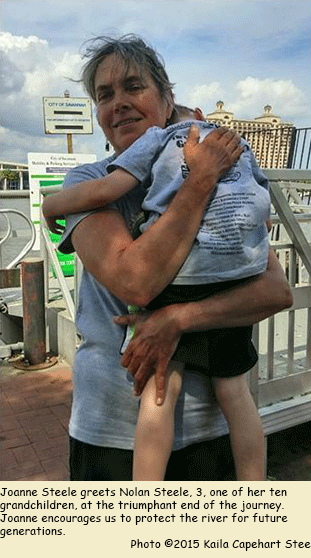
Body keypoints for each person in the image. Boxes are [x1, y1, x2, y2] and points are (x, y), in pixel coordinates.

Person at [54, 35, 293, 481]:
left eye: (133, 87)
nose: (119, 103)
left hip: (209, 431)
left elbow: (275, 291)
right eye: (105, 96)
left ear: (168, 100)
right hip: (111, 433)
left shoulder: (224, 183)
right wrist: (199, 180)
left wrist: (177, 319)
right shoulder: (87, 181)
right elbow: (136, 281)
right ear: (99, 117)